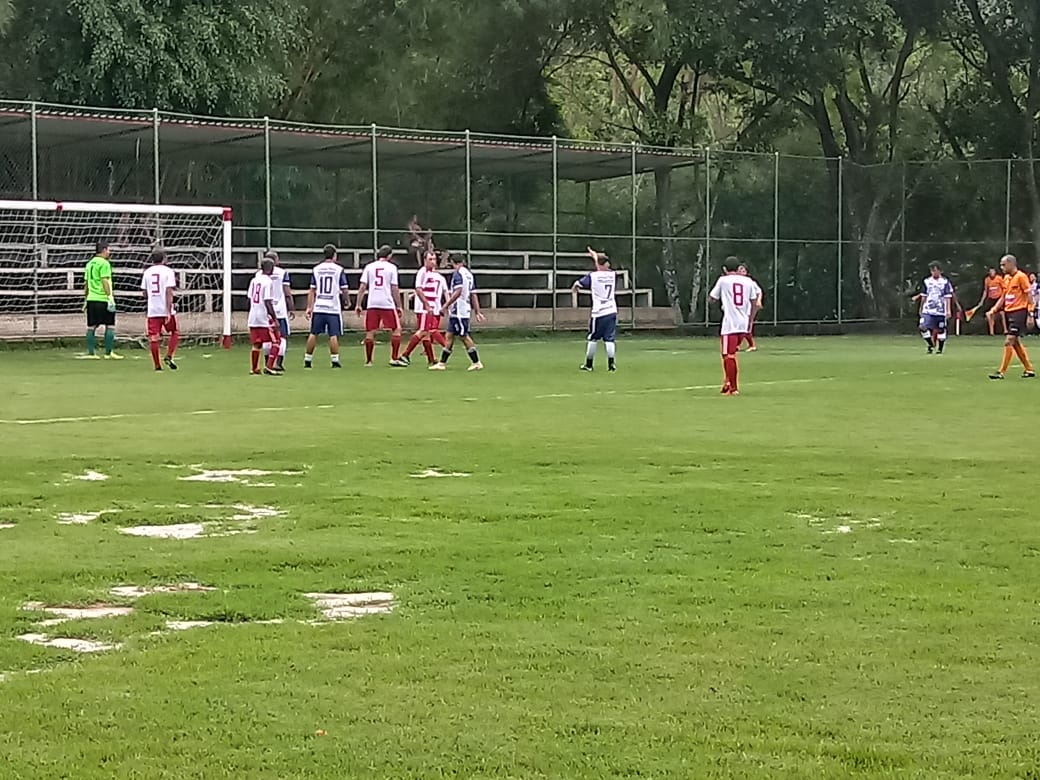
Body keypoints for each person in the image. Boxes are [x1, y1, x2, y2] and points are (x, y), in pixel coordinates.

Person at [709, 261, 762, 395]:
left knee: (728, 355)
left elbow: (712, 298)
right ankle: (727, 382)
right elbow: (754, 301)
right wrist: (750, 320)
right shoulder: (748, 281)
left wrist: (714, 300)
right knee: (729, 354)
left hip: (730, 324)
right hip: (743, 325)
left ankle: (733, 388)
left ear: (725, 269)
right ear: (738, 268)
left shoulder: (723, 280)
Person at [431, 253, 486, 371]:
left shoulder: (458, 274)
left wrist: (445, 306)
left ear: (452, 262)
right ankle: (442, 363)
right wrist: (477, 311)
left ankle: (476, 362)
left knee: (463, 335)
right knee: (449, 335)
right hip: (458, 310)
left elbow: (458, 291)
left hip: (460, 310)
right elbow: (473, 293)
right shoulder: (469, 274)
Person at [395, 251, 449, 366]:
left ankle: (431, 358)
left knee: (426, 333)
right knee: (424, 331)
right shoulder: (422, 272)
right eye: (430, 259)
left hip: (433, 308)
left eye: (434, 259)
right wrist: (426, 304)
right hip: (425, 308)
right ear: (425, 260)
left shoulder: (437, 276)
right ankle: (405, 355)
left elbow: (443, 292)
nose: (433, 262)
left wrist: (446, 306)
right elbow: (419, 288)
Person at [987, 254, 1035, 380]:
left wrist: (1030, 313)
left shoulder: (1021, 277)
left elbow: (1029, 295)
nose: (1001, 267)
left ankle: (1001, 372)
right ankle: (1029, 369)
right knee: (1015, 343)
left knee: (1009, 340)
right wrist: (994, 309)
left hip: (1019, 312)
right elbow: (1003, 296)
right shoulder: (1007, 278)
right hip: (1009, 312)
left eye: (1003, 264)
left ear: (1011, 264)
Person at [304, 244, 351, 369]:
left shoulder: (317, 269)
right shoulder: (338, 269)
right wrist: (347, 301)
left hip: (319, 305)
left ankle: (307, 359)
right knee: (333, 334)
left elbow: (312, 290)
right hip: (333, 307)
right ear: (334, 255)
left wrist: (309, 307)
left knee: (313, 333)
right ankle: (335, 360)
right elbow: (344, 289)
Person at [356, 245, 404, 366]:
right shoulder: (392, 267)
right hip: (386, 302)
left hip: (372, 302)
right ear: (389, 256)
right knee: (396, 329)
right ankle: (394, 358)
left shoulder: (369, 267)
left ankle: (369, 361)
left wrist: (358, 304)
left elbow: (362, 287)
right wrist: (399, 305)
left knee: (370, 331)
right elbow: (394, 287)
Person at [573, 247, 618, 372]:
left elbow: (578, 283)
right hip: (611, 310)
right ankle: (611, 364)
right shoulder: (612, 275)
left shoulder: (593, 276)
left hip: (598, 313)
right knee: (609, 339)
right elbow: (601, 267)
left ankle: (589, 364)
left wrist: (575, 288)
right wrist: (595, 256)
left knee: (593, 338)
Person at [140, 249, 179, 371]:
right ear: (164, 259)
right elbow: (168, 291)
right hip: (165, 309)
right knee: (175, 332)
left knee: (154, 337)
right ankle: (169, 355)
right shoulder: (168, 271)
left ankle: (157, 365)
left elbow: (144, 293)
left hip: (152, 309)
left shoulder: (147, 272)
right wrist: (168, 310)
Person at [82, 240, 123, 360]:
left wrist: (86, 299)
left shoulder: (89, 264)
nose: (109, 252)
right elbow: (105, 281)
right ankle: (109, 352)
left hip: (91, 299)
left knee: (91, 326)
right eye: (109, 250)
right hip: (103, 298)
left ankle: (91, 353)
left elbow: (86, 283)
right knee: (110, 325)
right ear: (104, 250)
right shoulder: (104, 263)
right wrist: (110, 297)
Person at [247, 259, 282, 376]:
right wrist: (274, 318)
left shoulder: (254, 280)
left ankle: (254, 368)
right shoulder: (268, 282)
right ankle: (269, 367)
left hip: (253, 316)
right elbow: (267, 301)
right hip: (263, 317)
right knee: (276, 341)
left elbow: (250, 297)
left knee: (257, 343)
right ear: (271, 269)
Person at [911, 263, 954, 354]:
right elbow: (924, 295)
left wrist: (948, 310)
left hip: (940, 310)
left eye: (935, 270)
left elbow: (948, 297)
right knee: (922, 326)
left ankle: (940, 349)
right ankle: (930, 344)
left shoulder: (945, 282)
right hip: (928, 310)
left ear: (940, 271)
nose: (933, 272)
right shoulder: (927, 281)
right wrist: (921, 308)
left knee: (941, 330)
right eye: (931, 271)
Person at [266, 250, 294, 372]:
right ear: (276, 260)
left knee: (267, 338)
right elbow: (287, 292)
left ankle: (268, 362)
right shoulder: (282, 273)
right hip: (280, 309)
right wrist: (291, 307)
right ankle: (279, 362)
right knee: (282, 337)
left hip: (266, 310)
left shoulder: (259, 274)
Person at [737, 263, 763, 351]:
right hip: (740, 307)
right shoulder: (734, 281)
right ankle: (738, 344)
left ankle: (751, 345)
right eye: (739, 270)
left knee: (747, 325)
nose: (741, 272)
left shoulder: (750, 282)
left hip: (749, 306)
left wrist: (758, 301)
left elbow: (759, 291)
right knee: (740, 325)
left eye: (743, 270)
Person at [976, 267, 1006, 335]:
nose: (992, 273)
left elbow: (1004, 288)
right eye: (990, 271)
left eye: (993, 271)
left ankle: (1005, 330)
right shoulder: (987, 280)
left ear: (995, 272)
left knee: (1002, 313)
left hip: (999, 298)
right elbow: (986, 291)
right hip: (991, 299)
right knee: (989, 314)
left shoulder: (999, 278)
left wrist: (1003, 298)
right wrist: (982, 301)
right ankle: (991, 332)